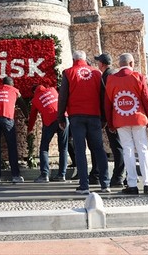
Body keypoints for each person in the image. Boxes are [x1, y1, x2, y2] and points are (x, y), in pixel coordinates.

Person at [57, 50, 110, 194]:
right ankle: (105, 183)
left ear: (74, 59)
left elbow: (63, 97)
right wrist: (104, 117)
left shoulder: (68, 73)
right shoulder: (97, 73)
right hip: (94, 116)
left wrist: (61, 117)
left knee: (80, 150)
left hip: (76, 116)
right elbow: (103, 96)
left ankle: (84, 185)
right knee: (99, 149)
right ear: (85, 59)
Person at [104, 53, 148, 195]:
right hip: (139, 119)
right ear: (132, 63)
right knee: (143, 150)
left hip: (120, 120)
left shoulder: (111, 79)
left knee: (127, 150)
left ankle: (132, 184)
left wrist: (110, 123)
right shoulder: (138, 77)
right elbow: (147, 100)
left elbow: (107, 103)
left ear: (119, 64)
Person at [94, 53, 126, 187]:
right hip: (119, 114)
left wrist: (105, 119)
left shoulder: (107, 76)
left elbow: (106, 99)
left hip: (112, 116)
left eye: (98, 63)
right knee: (123, 146)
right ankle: (128, 176)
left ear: (102, 64)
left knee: (117, 147)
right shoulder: (112, 74)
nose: (97, 65)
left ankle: (118, 176)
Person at [28, 83, 68, 182]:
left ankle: (44, 175)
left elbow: (33, 116)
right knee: (63, 148)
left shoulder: (36, 99)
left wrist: (29, 130)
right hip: (63, 118)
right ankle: (62, 175)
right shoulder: (53, 90)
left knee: (44, 148)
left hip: (49, 121)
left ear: (34, 92)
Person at [0, 76, 24, 184]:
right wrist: (26, 116)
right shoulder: (14, 90)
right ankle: (15, 175)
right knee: (12, 147)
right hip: (7, 117)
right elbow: (22, 104)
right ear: (11, 84)